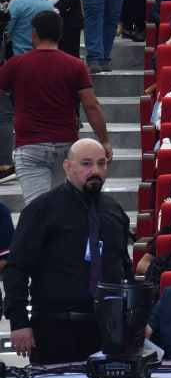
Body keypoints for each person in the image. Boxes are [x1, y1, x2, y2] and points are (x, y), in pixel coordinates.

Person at [3, 139, 129, 363]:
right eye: (86, 164)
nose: (95, 171)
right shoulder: (42, 209)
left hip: (107, 328)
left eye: (101, 163)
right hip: (55, 329)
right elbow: (17, 268)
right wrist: (19, 321)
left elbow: (124, 267)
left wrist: (134, 318)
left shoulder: (114, 210)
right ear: (67, 167)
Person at [0, 12, 110, 203]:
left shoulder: (16, 64)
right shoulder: (76, 65)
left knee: (37, 208)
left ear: (34, 33)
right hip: (66, 143)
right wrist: (105, 141)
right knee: (66, 205)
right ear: (60, 34)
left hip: (30, 144)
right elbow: (91, 105)